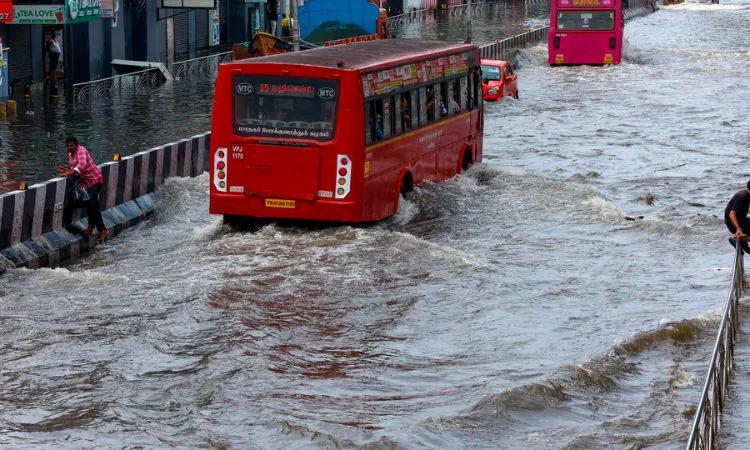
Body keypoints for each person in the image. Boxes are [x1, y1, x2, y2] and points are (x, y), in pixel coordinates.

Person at [58, 136, 110, 242]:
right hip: (86, 184)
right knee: (91, 205)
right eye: (68, 146)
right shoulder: (70, 155)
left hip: (95, 180)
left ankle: (102, 230)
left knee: (92, 204)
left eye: (71, 145)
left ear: (76, 145)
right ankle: (92, 228)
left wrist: (71, 172)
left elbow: (81, 165)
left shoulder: (81, 150)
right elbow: (75, 170)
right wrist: (69, 171)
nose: (69, 148)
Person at [725, 180, 750, 253]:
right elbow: (731, 214)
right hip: (733, 223)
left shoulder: (747, 195)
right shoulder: (742, 196)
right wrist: (738, 229)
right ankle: (737, 239)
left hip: (741, 220)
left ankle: (744, 244)